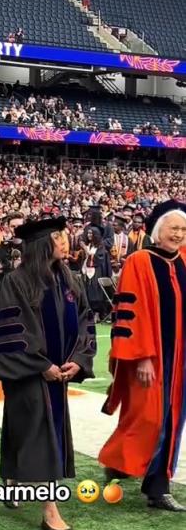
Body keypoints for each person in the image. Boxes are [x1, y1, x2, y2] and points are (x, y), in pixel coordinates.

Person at [0, 217, 95, 530]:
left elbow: (86, 320)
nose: (65, 241)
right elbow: (10, 331)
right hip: (29, 372)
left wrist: (78, 360)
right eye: (58, 237)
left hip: (59, 373)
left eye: (64, 236)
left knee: (26, 428)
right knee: (38, 433)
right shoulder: (17, 282)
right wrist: (40, 364)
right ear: (40, 245)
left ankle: (12, 478)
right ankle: (50, 510)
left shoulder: (69, 279)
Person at [99, 200, 186, 511]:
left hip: (180, 360)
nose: (179, 234)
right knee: (148, 418)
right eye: (173, 228)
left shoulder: (183, 260)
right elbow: (130, 314)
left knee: (173, 421)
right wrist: (143, 357)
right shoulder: (139, 261)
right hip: (152, 357)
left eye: (183, 229)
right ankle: (119, 461)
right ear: (157, 231)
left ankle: (157, 487)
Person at [81, 226, 113, 320]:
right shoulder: (90, 245)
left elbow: (98, 259)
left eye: (91, 233)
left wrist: (86, 250)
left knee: (96, 293)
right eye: (88, 233)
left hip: (97, 272)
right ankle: (90, 312)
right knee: (88, 292)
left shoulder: (101, 246)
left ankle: (97, 313)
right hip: (87, 272)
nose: (89, 235)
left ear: (96, 235)